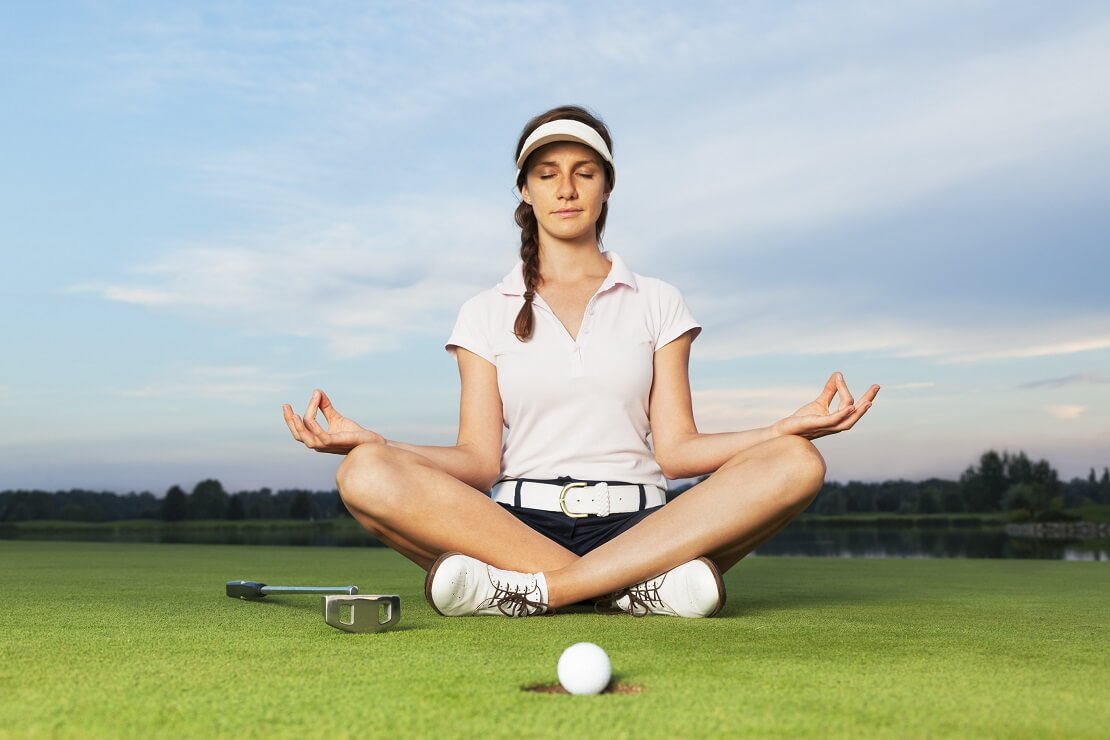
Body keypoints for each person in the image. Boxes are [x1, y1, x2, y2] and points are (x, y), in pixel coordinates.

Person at [282, 104, 879, 619]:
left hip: (644, 527)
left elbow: (676, 453)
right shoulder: (484, 311)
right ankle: (634, 590)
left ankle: (544, 593)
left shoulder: (658, 300)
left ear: (606, 187)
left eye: (583, 173)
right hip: (515, 529)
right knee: (362, 473)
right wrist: (378, 444)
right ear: (526, 189)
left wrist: (778, 431)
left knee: (797, 461)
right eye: (548, 175)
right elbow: (477, 461)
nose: (566, 189)